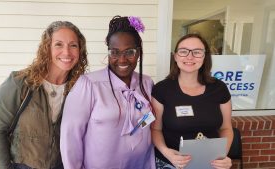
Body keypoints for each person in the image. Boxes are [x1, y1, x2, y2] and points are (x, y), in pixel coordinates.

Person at [0, 21, 88, 169]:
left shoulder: (80, 87)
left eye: (73, 45)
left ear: (80, 50)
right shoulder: (19, 84)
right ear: (47, 48)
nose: (66, 52)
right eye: (58, 44)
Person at [60, 15, 155, 169]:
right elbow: (70, 137)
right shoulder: (89, 85)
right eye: (115, 52)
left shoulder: (147, 83)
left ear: (138, 53)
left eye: (129, 52)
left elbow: (151, 126)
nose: (122, 59)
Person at [151, 33, 233, 169]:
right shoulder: (162, 89)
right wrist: (167, 153)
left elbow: (226, 128)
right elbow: (155, 129)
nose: (190, 56)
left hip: (209, 163)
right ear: (176, 56)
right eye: (183, 51)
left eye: (197, 52)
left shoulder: (219, 89)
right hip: (171, 163)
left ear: (205, 57)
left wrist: (222, 155)